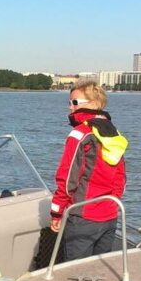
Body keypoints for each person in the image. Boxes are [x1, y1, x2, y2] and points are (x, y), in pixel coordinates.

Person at [50, 81, 127, 261]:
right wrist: (112, 204)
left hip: (82, 217)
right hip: (109, 216)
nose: (70, 107)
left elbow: (68, 178)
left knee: (75, 272)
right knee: (98, 271)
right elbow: (120, 178)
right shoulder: (114, 133)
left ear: (92, 103)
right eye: (69, 102)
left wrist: (57, 212)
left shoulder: (80, 134)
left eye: (74, 102)